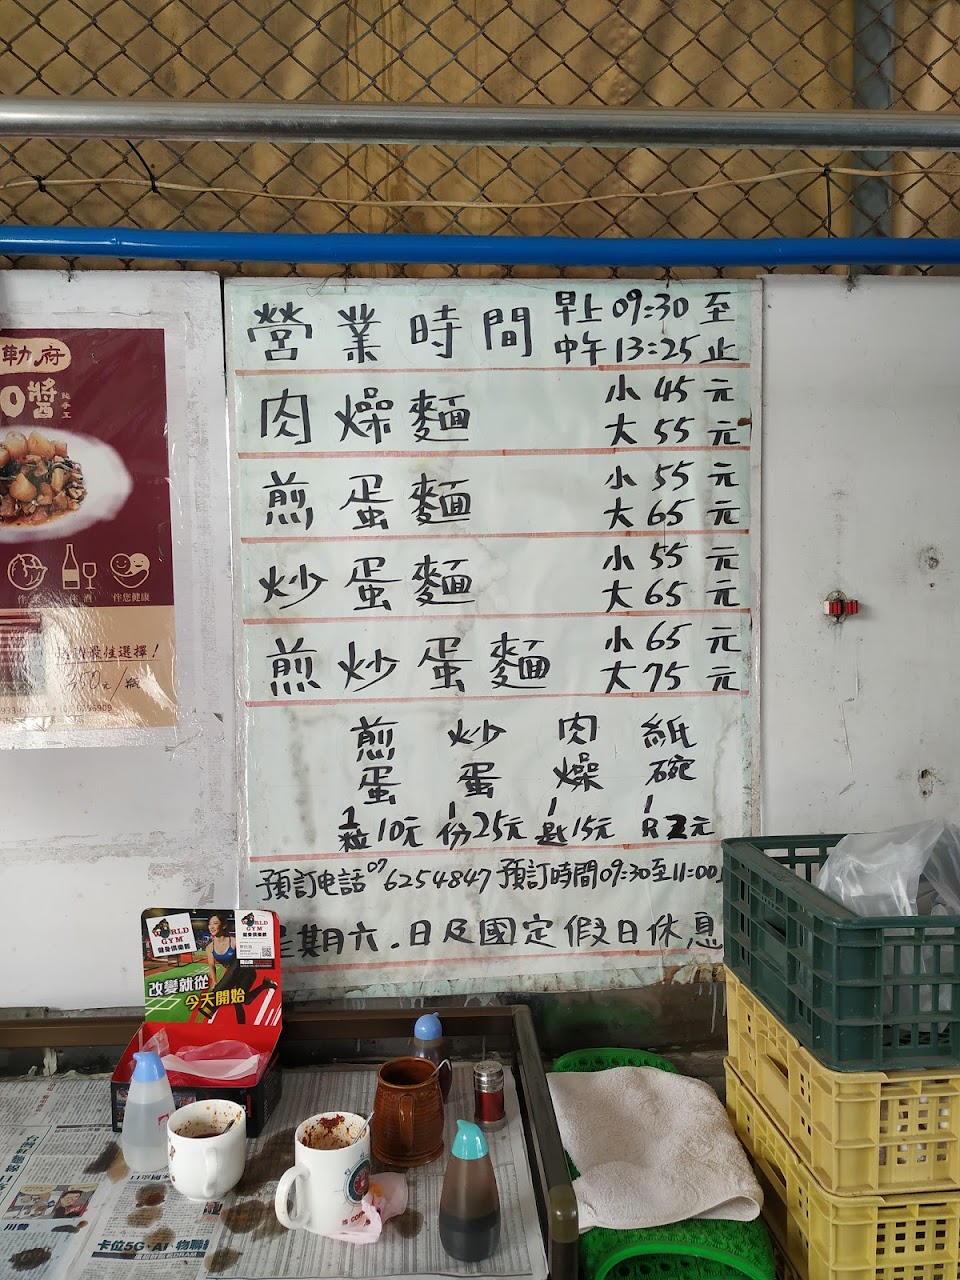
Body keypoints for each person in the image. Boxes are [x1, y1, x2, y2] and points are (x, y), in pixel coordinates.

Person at [203, 913, 275, 1025]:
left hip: (246, 972)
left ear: (224, 925)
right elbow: (211, 966)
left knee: (236, 968)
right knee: (244, 1001)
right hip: (232, 977)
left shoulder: (234, 942)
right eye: (209, 924)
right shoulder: (209, 947)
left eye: (215, 923)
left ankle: (211, 1004)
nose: (211, 927)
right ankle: (265, 985)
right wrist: (215, 981)